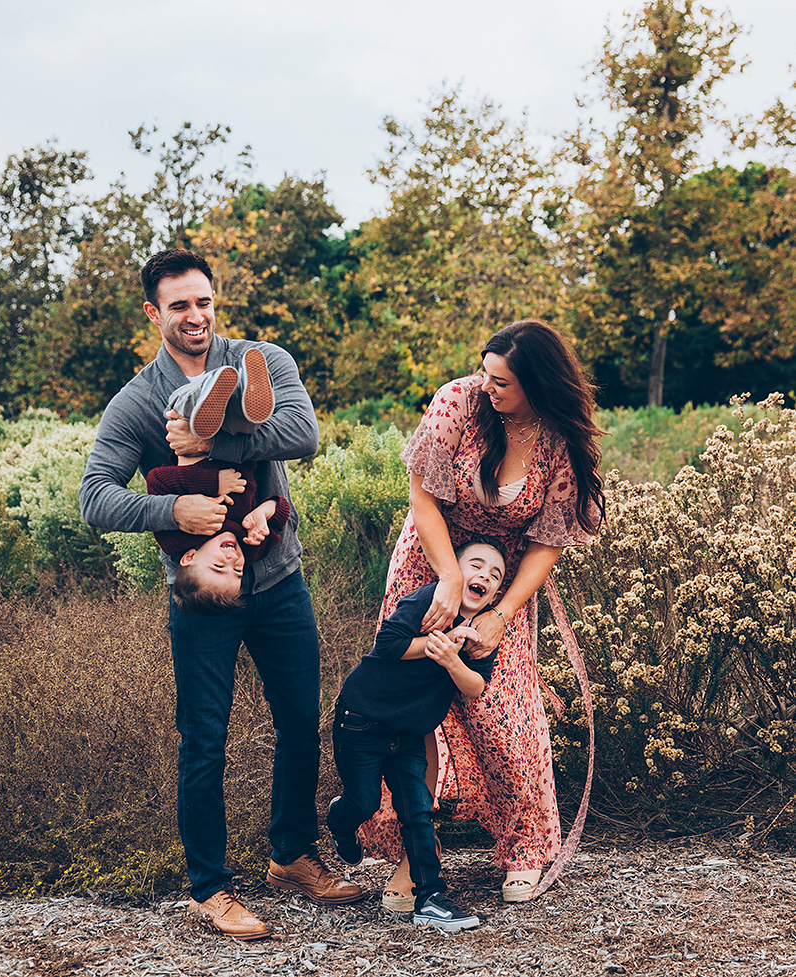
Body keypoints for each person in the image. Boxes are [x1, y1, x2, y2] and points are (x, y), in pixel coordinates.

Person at [79, 248, 364, 942]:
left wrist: (220, 429)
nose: (196, 316)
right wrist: (173, 513)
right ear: (153, 313)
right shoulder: (138, 401)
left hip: (280, 578)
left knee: (301, 720)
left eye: (204, 301)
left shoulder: (263, 359)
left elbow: (304, 434)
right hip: (204, 594)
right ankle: (209, 888)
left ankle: (291, 855)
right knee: (203, 740)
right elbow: (95, 496)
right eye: (179, 305)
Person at [360, 319, 605, 907]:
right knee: (410, 709)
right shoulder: (458, 403)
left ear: (538, 385)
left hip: (502, 578)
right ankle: (413, 856)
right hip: (431, 558)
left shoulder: (558, 440)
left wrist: (502, 612)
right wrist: (446, 576)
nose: (488, 387)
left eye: (503, 382)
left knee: (502, 708)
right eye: (487, 374)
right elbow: (422, 496)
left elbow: (548, 540)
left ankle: (523, 845)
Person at [327, 537, 506, 932]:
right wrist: (438, 645)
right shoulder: (428, 600)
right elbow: (387, 645)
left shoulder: (482, 630)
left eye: (495, 576)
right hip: (362, 720)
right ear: (455, 572)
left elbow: (475, 686)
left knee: (418, 811)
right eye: (476, 566)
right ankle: (341, 821)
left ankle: (431, 897)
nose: (485, 578)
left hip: (409, 732)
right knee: (364, 802)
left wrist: (451, 659)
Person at [146, 452, 290, 613]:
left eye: (219, 566)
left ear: (189, 558)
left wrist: (214, 482)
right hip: (239, 450)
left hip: (195, 449)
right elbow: (282, 510)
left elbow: (157, 481)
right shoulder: (251, 545)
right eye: (238, 571)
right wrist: (264, 512)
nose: (233, 558)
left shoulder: (175, 541)